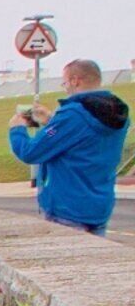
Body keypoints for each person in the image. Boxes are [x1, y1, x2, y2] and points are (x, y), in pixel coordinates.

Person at [10, 57, 129, 236]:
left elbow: (31, 152)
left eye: (64, 83)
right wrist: (51, 122)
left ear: (75, 81)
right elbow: (84, 139)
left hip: (67, 208)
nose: (65, 88)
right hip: (100, 205)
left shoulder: (72, 115)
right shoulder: (118, 113)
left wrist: (17, 129)